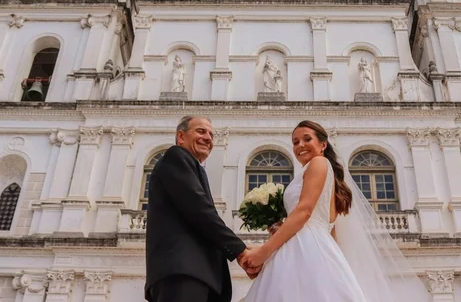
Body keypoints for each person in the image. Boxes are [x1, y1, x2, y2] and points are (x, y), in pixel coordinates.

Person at [241, 120, 429, 302]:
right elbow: (329, 227)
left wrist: (265, 251)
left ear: (323, 145)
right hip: (311, 245)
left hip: (306, 245)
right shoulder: (318, 172)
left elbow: (304, 211)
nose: (300, 145)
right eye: (295, 142)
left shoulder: (318, 163)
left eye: (307, 139)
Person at [145, 116, 260, 302]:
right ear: (180, 136)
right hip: (183, 271)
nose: (208, 138)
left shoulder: (192, 166)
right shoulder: (176, 156)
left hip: (197, 273)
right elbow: (198, 208)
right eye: (200, 131)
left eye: (211, 135)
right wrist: (240, 250)